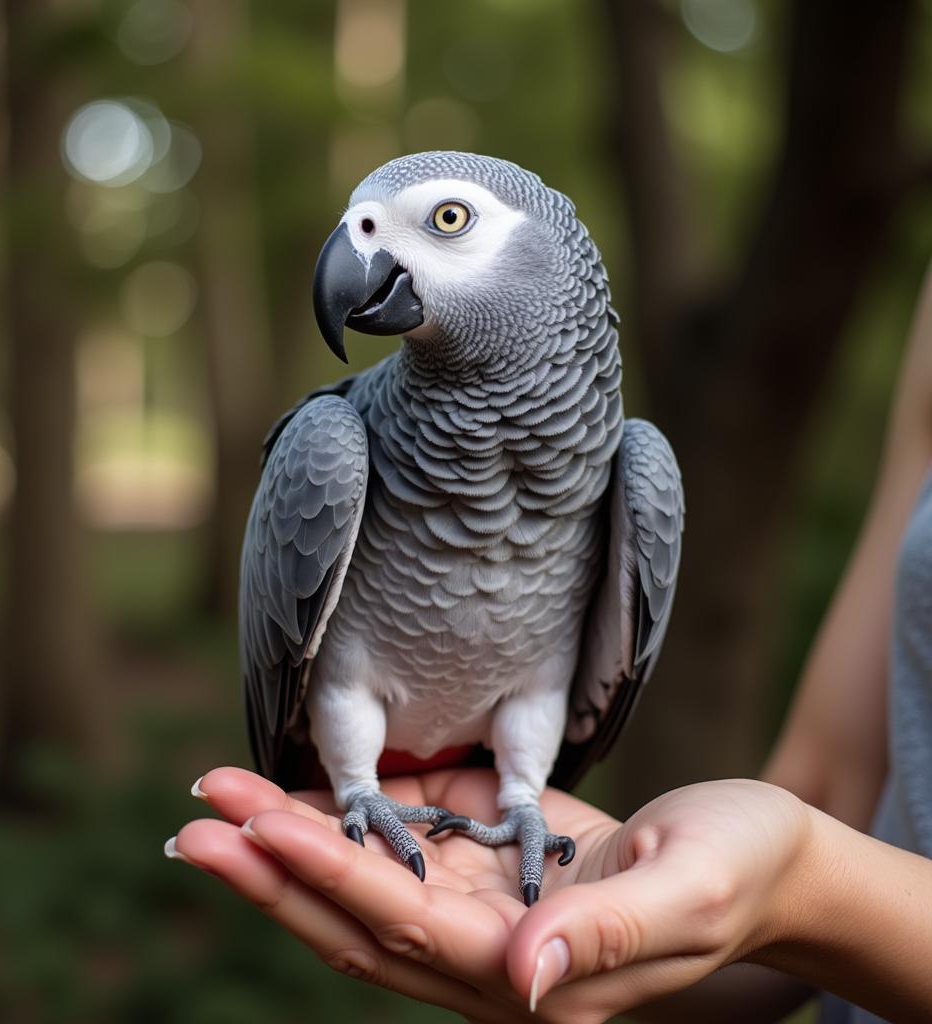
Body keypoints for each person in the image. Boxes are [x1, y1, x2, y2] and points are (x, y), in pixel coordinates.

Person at [166, 265, 932, 1023]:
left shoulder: (631, 472)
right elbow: (833, 788)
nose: (365, 241)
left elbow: (809, 870)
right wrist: (661, 920)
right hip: (345, 741)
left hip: (512, 737)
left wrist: (799, 881)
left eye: (450, 222)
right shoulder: (332, 445)